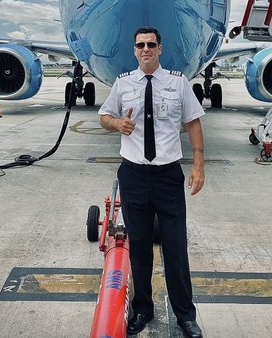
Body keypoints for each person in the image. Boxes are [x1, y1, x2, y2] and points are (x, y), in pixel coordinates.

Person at [99, 26, 205, 338]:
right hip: (133, 175)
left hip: (168, 176)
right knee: (140, 248)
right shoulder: (123, 84)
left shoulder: (178, 82)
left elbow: (193, 123)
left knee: (175, 247)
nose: (145, 50)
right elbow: (104, 117)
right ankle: (142, 308)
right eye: (140, 45)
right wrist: (117, 123)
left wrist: (198, 165)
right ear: (134, 50)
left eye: (151, 45)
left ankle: (185, 315)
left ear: (160, 49)